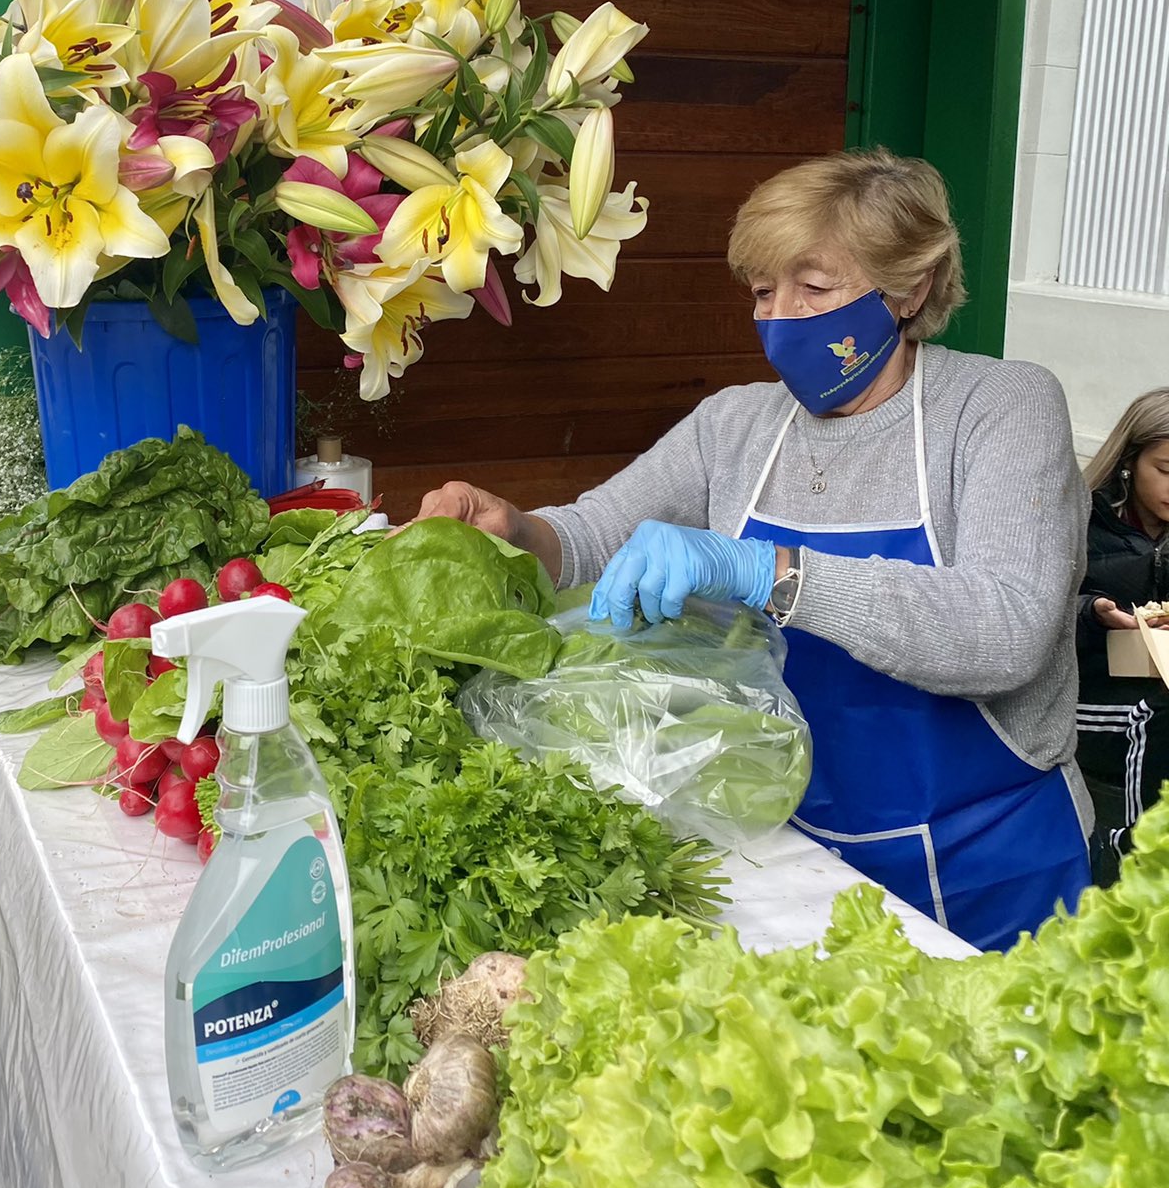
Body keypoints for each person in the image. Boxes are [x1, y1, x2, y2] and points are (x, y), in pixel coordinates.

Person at [421, 149, 1091, 951]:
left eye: (814, 288)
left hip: (991, 861)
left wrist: (767, 572)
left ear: (909, 287)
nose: (781, 318)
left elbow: (1007, 629)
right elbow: (599, 535)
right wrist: (518, 529)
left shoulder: (999, 407)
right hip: (795, 847)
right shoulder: (735, 425)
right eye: (764, 292)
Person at [1074, 389, 1169, 881]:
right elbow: (1031, 610)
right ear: (1130, 462)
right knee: (1154, 714)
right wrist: (1092, 612)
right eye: (1167, 471)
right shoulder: (1080, 520)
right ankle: (1134, 856)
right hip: (1089, 696)